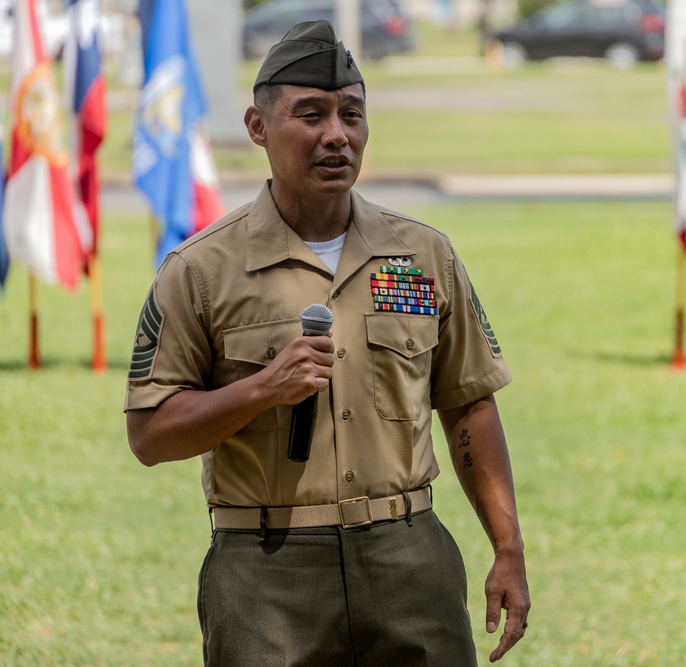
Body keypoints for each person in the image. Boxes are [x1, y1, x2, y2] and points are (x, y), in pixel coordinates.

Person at [124, 20, 529, 665]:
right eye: (309, 115)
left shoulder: (421, 256)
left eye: (352, 115)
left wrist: (508, 549)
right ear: (258, 127)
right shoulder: (200, 271)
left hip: (408, 559)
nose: (336, 134)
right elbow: (150, 435)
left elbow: (470, 405)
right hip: (266, 576)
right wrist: (262, 389)